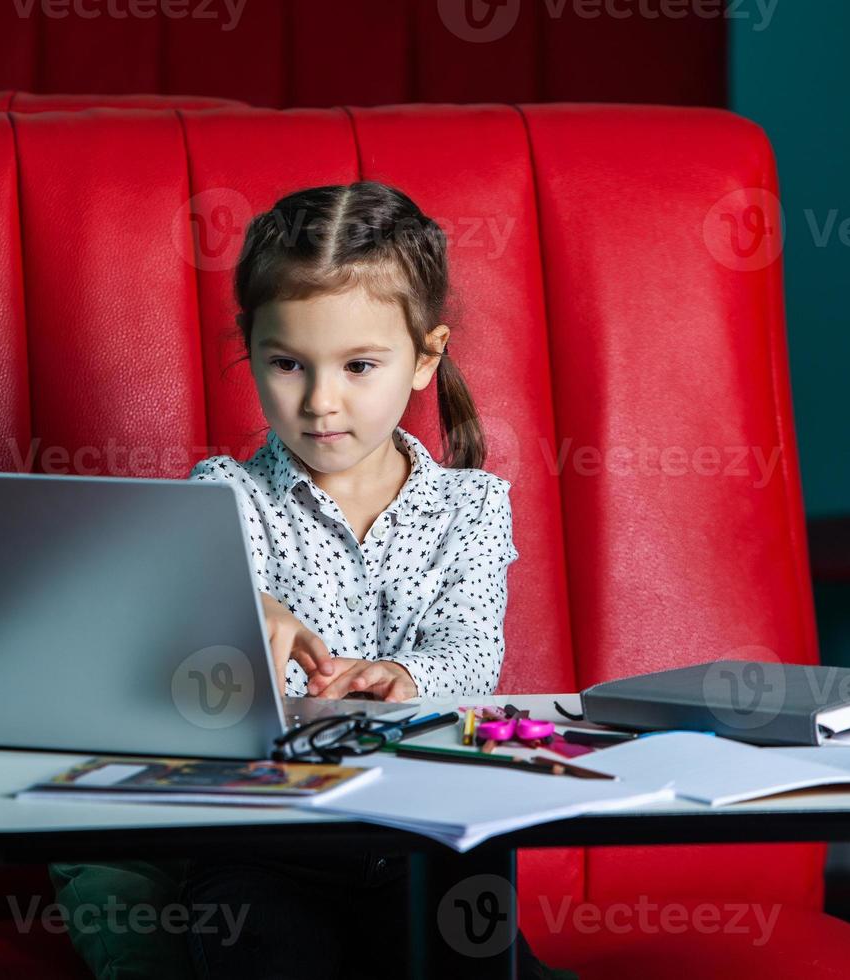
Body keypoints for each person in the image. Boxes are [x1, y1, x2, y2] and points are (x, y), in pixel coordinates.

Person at [175, 181, 575, 980]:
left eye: (360, 365)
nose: (321, 403)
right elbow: (178, 657)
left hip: (423, 837)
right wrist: (237, 616)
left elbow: (471, 653)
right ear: (249, 349)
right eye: (287, 363)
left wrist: (401, 675)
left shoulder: (470, 506)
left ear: (426, 358)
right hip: (269, 843)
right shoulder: (223, 496)